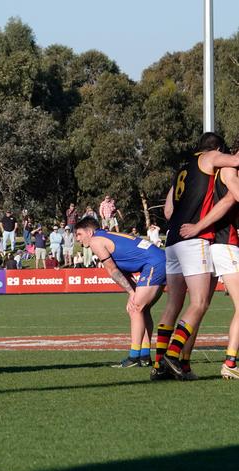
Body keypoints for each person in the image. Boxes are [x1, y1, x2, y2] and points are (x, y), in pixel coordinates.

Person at [152, 132, 239, 381]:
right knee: (199, 303)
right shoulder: (211, 158)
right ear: (216, 149)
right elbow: (234, 162)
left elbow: (168, 211)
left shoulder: (182, 169)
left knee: (173, 305)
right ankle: (173, 354)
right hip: (193, 238)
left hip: (172, 240)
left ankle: (158, 365)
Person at [179, 137, 239, 379]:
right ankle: (231, 363)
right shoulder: (228, 169)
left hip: (211, 243)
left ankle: (182, 360)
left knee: (199, 306)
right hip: (225, 243)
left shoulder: (212, 171)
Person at [75, 217, 166, 367]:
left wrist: (132, 293)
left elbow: (112, 270)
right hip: (158, 260)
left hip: (154, 263)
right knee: (143, 309)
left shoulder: (96, 241)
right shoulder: (106, 236)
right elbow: (124, 270)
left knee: (135, 308)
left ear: (89, 232)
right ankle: (144, 356)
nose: (78, 239)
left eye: (79, 234)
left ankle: (134, 356)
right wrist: (133, 292)